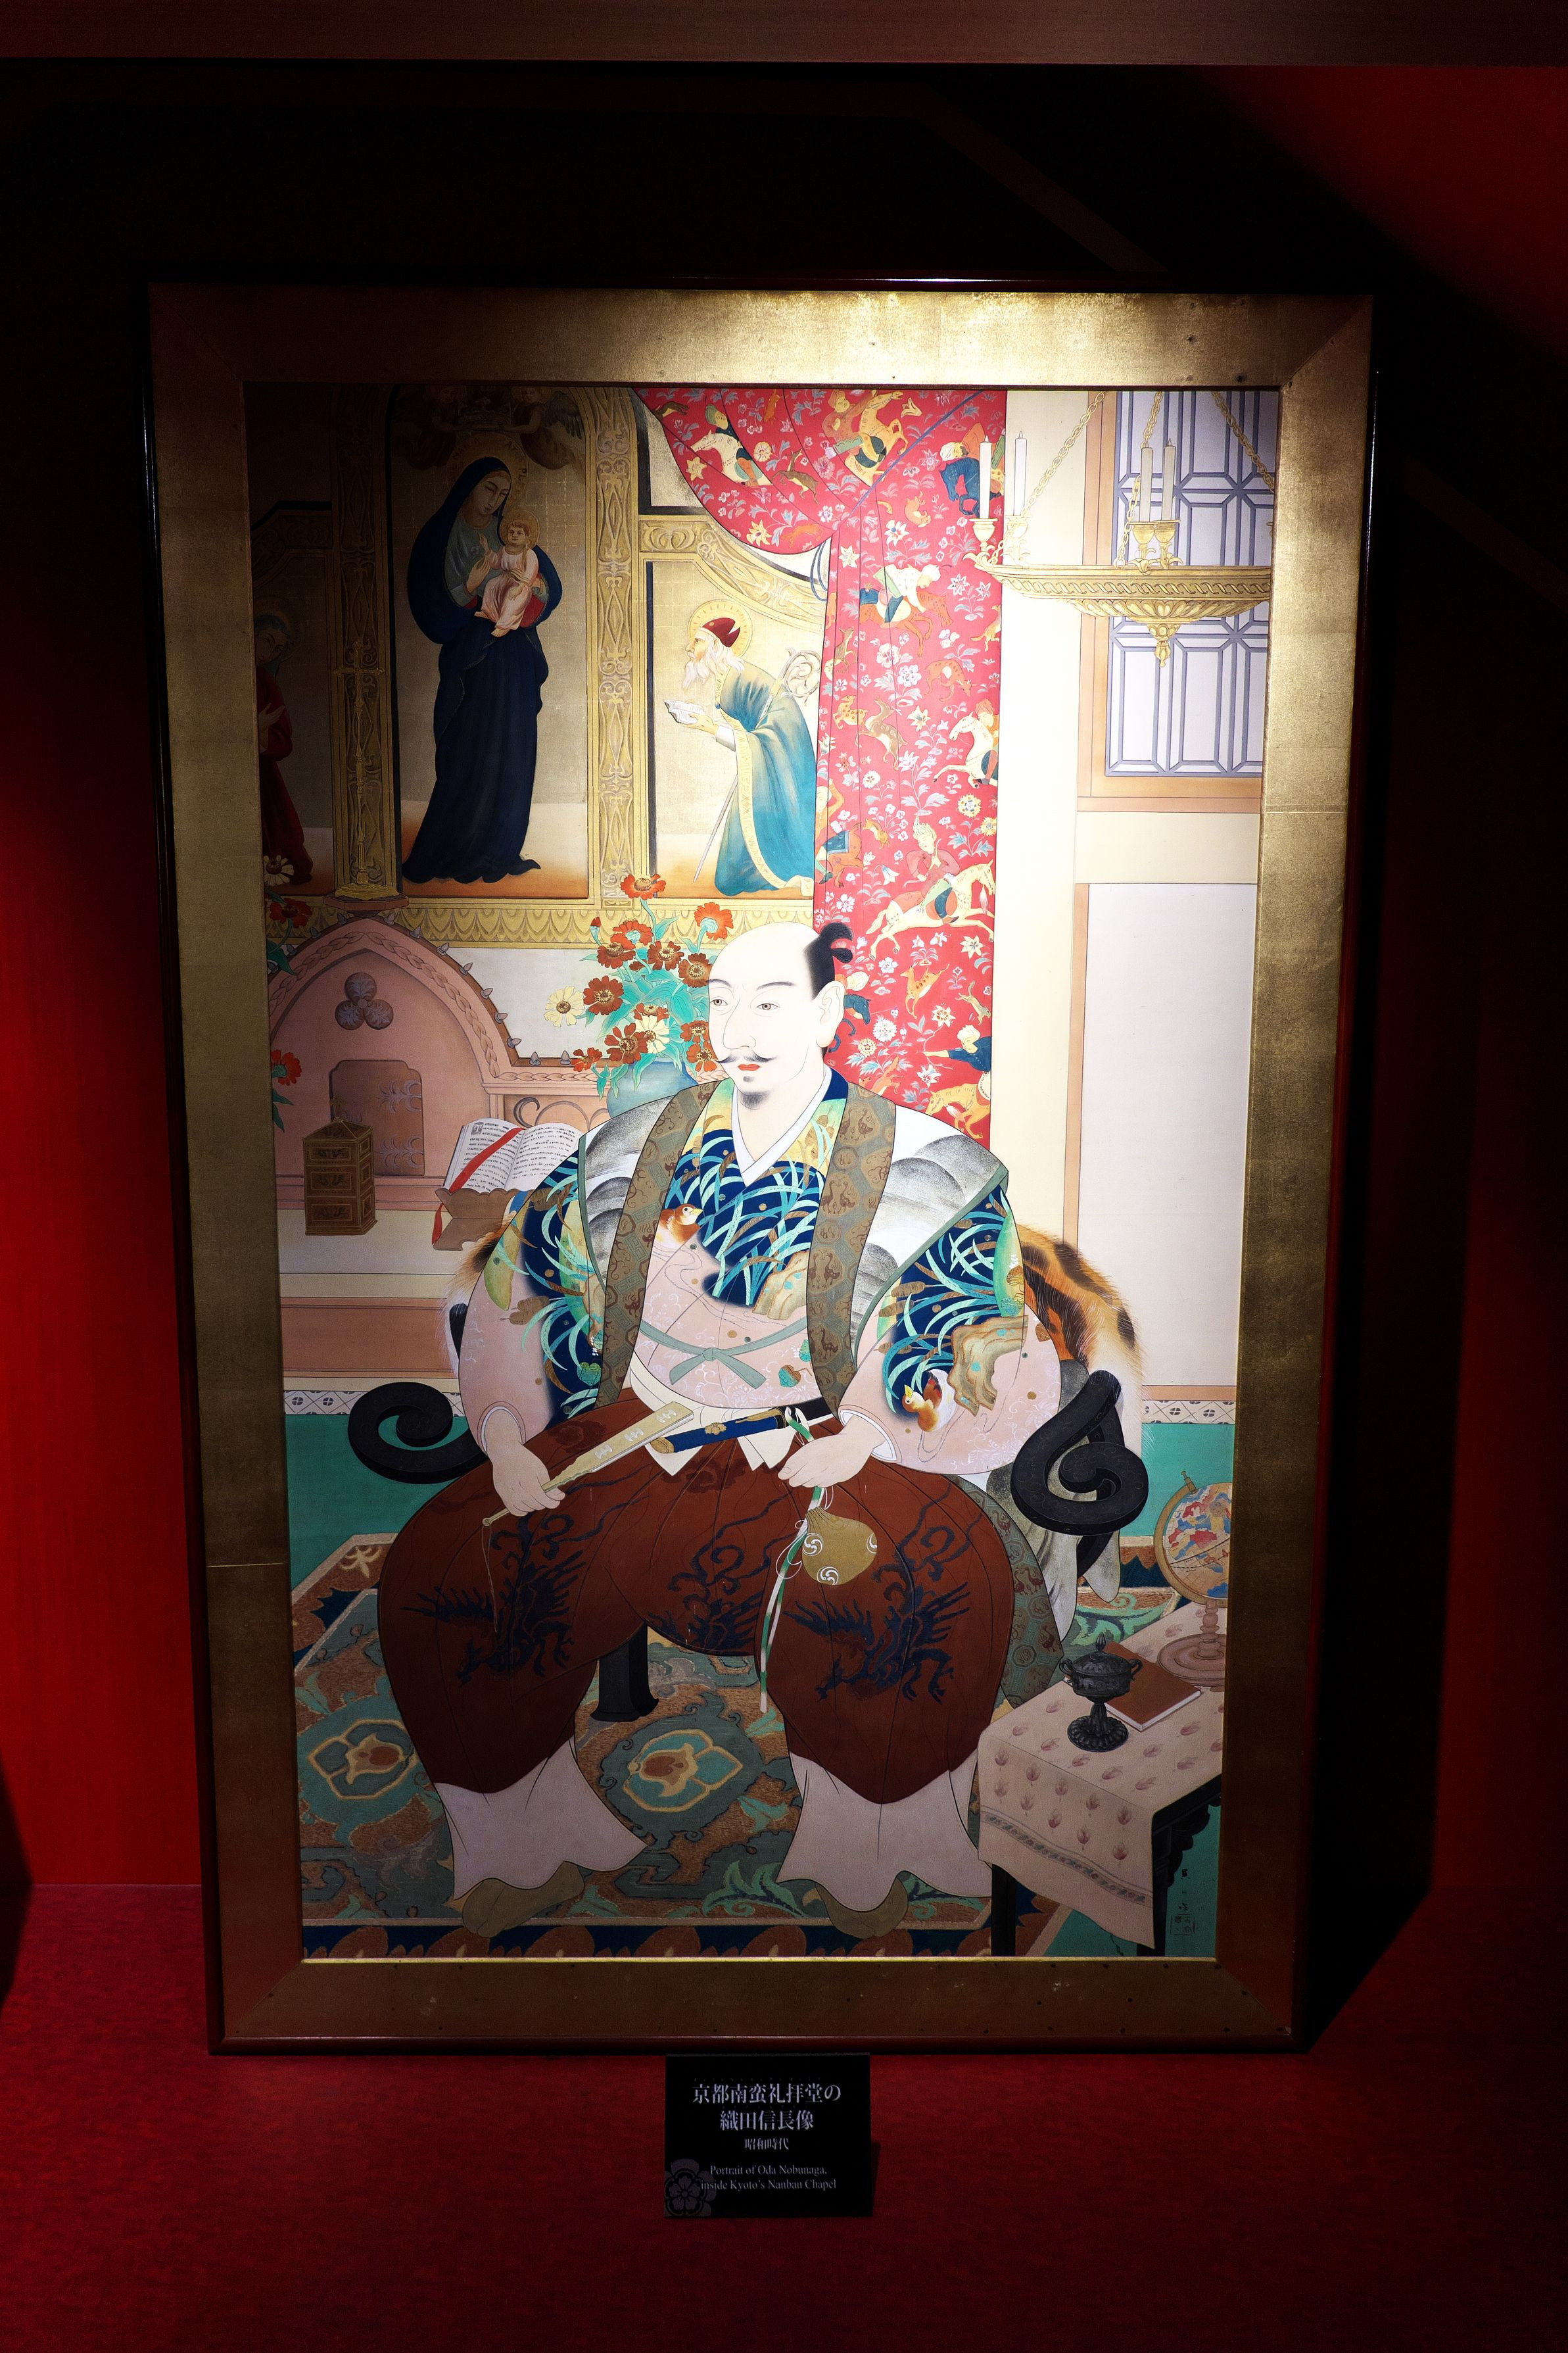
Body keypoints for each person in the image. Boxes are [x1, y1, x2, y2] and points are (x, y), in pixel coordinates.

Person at [377, 917, 1137, 1941]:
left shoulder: (931, 1166)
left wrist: (865, 1430)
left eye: (770, 1002)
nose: (739, 1028)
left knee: (911, 1579)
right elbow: (530, 1287)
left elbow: (968, 1324)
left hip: (827, 1439)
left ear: (826, 1011)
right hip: (641, 1428)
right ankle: (525, 1835)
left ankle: (869, 1845)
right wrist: (511, 1437)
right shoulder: (627, 1148)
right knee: (455, 1557)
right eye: (723, 1002)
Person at [402, 458, 562, 886]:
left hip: (514, 658)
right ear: (469, 485)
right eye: (490, 488)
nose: (495, 500)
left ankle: (500, 850)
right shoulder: (441, 535)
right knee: (467, 750)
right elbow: (431, 605)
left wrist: (537, 590)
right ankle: (448, 850)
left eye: (503, 493)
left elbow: (548, 585)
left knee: (513, 749)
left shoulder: (511, 535)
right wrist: (471, 591)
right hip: (471, 658)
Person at [665, 608, 817, 894]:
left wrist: (711, 728)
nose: (689, 648)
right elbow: (750, 734)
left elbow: (769, 734)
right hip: (759, 764)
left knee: (730, 879)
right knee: (729, 877)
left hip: (780, 758)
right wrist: (710, 726)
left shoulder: (739, 678)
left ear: (715, 646)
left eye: (697, 641)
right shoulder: (728, 676)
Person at [254, 609, 312, 887]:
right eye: (267, 641)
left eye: (277, 649)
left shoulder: (265, 682)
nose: (269, 653)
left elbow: (284, 740)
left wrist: (261, 732)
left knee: (279, 833)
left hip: (260, 773)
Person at [476, 508, 548, 639]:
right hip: (504, 579)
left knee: (511, 598)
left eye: (519, 533)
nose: (514, 535)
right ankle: (489, 613)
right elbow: (497, 563)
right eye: (512, 532)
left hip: (520, 584)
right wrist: (486, 548)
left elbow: (530, 571)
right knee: (491, 585)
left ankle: (504, 625)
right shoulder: (505, 550)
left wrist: (520, 587)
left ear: (527, 537)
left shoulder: (528, 554)